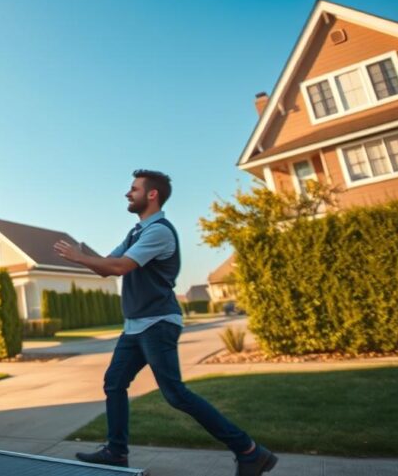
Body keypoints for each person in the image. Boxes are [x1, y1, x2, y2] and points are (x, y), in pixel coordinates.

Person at [54, 170, 277, 476]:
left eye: (133, 189)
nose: (127, 193)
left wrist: (80, 257)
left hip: (157, 323)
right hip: (136, 325)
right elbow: (106, 267)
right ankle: (116, 452)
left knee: (175, 394)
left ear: (152, 194)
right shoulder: (136, 233)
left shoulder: (159, 232)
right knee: (114, 383)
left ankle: (250, 451)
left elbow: (120, 267)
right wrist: (82, 256)